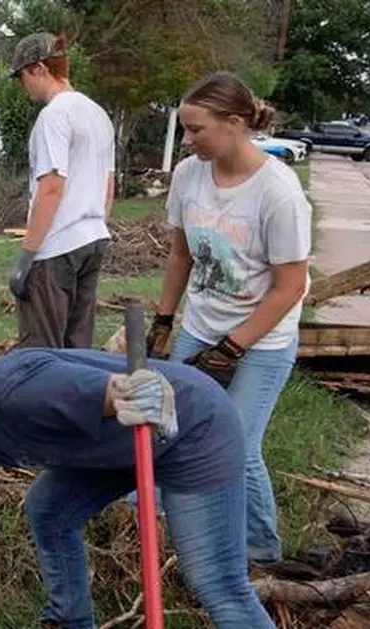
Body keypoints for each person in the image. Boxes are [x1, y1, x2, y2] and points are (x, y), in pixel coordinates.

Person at [0, 312, 274, 629]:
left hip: (191, 428)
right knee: (49, 508)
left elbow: (114, 392)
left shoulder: (20, 387)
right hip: (115, 450)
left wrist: (139, 393)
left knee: (217, 581)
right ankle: (71, 619)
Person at [145, 71, 311, 565]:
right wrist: (164, 320)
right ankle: (173, 519)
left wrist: (233, 348)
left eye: (197, 129)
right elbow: (181, 256)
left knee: (236, 440)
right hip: (202, 323)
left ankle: (260, 546)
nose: (189, 139)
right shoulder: (189, 175)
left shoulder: (278, 193)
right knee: (175, 426)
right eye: (186, 129)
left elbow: (290, 287)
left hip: (263, 338)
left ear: (235, 123)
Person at [7, 32, 116, 349]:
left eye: (21, 75)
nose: (22, 84)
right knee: (77, 346)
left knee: (41, 352)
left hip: (57, 247)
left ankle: (43, 400)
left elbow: (52, 187)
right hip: (93, 238)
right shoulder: (97, 113)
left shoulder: (54, 115)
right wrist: (97, 226)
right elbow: (108, 185)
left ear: (39, 68)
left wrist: (27, 256)